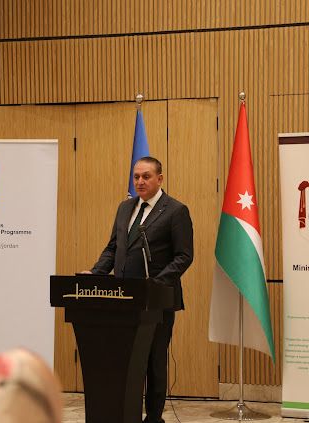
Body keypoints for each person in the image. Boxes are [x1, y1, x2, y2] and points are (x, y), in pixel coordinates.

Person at [89, 156, 193, 423]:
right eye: (136, 177)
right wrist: (95, 273)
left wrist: (155, 283)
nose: (140, 181)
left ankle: (154, 418)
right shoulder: (125, 208)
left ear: (160, 178)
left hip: (157, 300)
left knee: (154, 362)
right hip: (124, 299)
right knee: (128, 361)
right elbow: (114, 248)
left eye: (146, 176)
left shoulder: (175, 211)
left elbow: (183, 256)